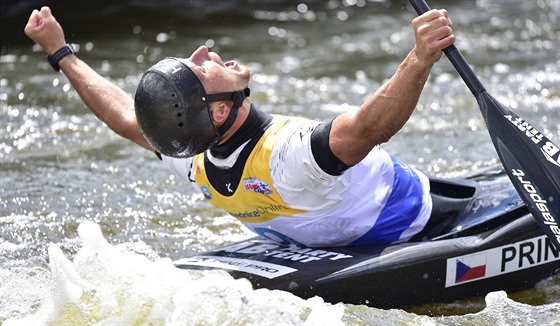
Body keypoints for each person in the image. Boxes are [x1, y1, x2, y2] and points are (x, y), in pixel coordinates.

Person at [24, 6, 455, 247]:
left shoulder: (191, 158)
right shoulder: (288, 153)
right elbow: (368, 129)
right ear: (215, 111)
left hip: (326, 230)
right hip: (414, 218)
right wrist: (420, 57)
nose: (202, 51)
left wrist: (61, 53)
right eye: (197, 69)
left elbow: (123, 117)